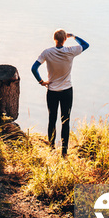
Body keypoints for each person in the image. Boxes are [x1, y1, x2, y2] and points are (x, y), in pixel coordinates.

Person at [31, 29, 89, 157]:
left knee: (52, 119)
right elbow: (86, 45)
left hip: (52, 91)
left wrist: (41, 81)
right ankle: (64, 152)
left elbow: (34, 68)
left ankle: (51, 148)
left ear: (54, 39)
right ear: (65, 39)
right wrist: (74, 36)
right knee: (65, 120)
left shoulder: (47, 52)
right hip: (67, 91)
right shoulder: (70, 51)